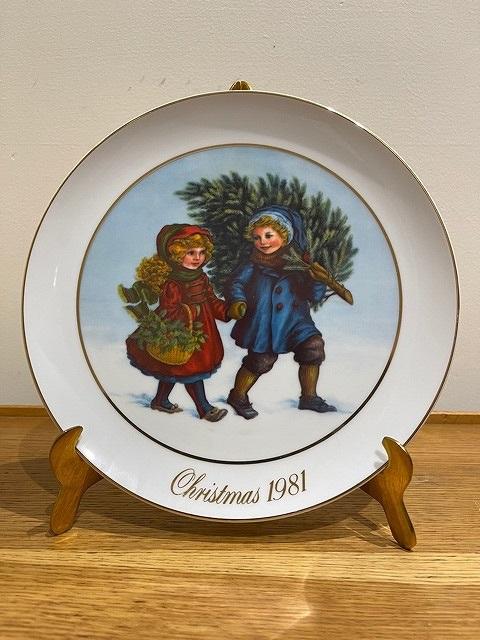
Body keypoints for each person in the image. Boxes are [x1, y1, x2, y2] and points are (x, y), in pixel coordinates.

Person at [226, 206, 340, 419]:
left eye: (269, 235)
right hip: (264, 323)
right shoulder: (252, 264)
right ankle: (237, 395)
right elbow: (236, 283)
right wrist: (238, 300)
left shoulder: (299, 264)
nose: (263, 242)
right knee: (260, 360)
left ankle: (309, 397)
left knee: (313, 348)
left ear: (285, 236)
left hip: (295, 321)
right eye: (257, 237)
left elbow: (313, 295)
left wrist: (317, 280)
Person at [126, 224, 242, 422]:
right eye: (191, 253)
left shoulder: (201, 277)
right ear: (177, 254)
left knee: (173, 370)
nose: (198, 257)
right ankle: (204, 409)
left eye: (202, 252)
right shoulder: (173, 282)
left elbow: (211, 300)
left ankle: (160, 400)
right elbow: (169, 309)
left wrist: (228, 310)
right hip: (179, 333)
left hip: (202, 331)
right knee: (191, 371)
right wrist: (193, 311)